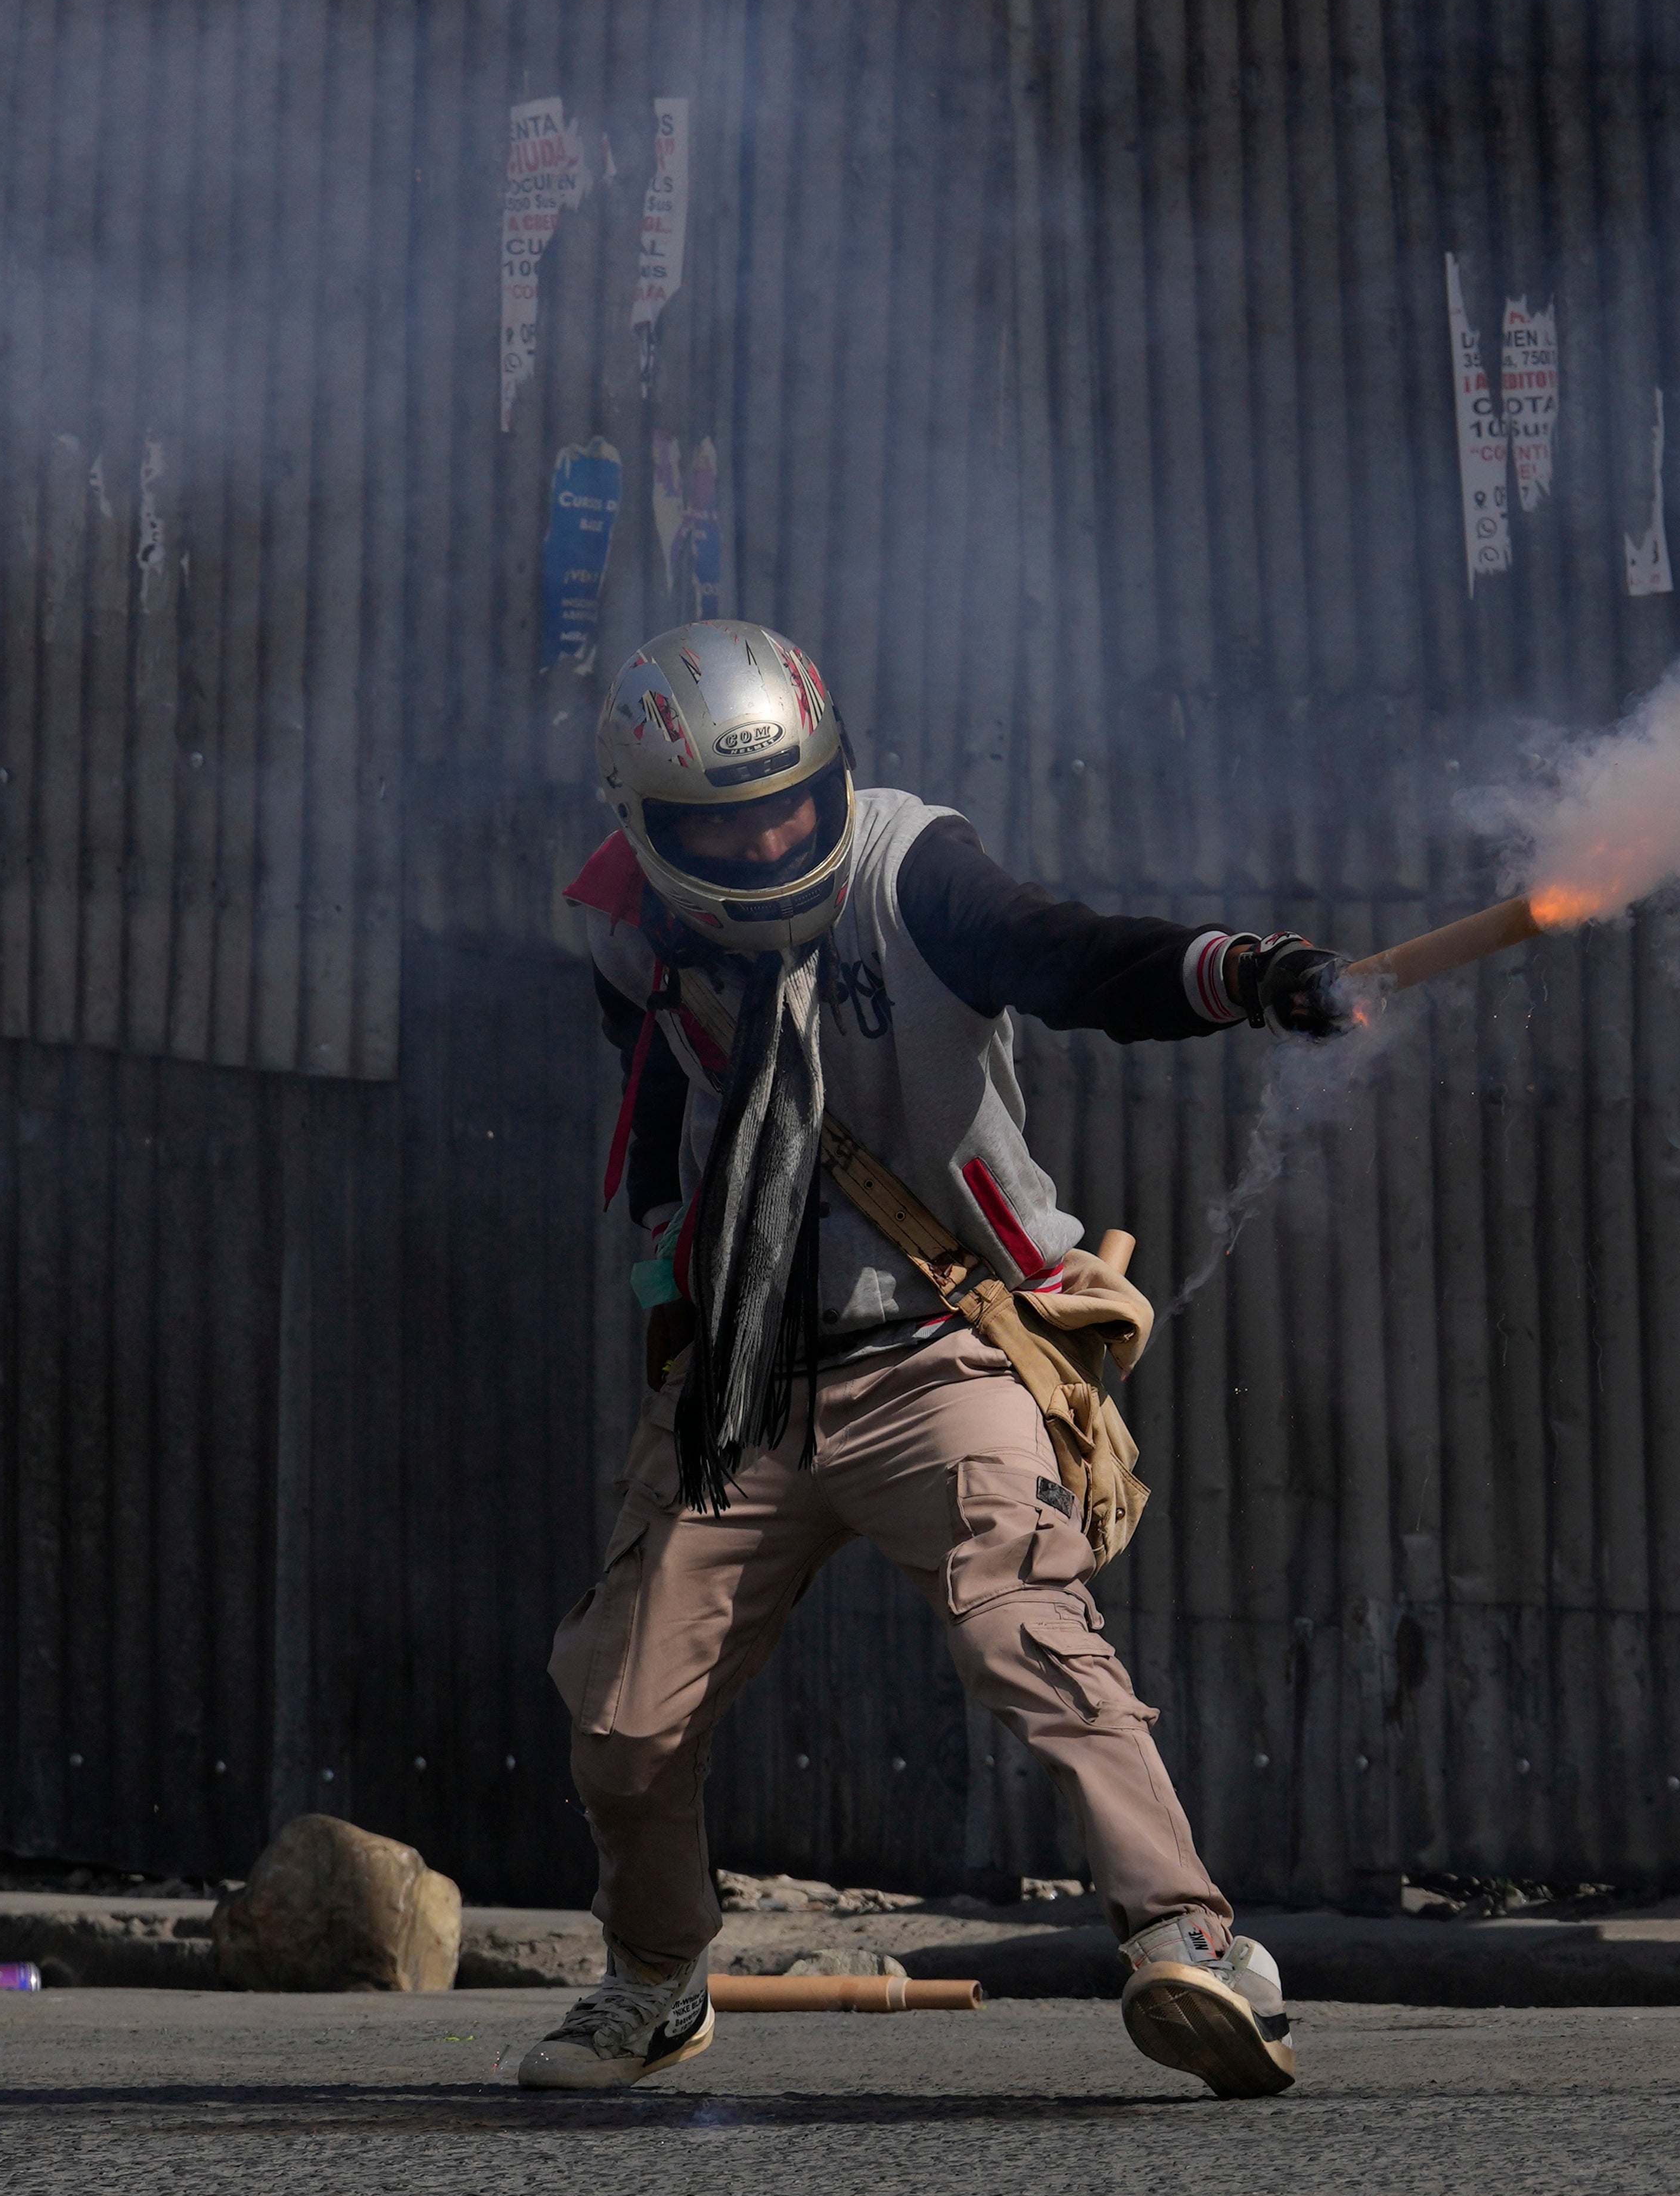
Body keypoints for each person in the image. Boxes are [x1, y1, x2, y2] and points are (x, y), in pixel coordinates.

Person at [520, 619, 1352, 2098]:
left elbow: (1073, 954)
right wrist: (672, 1271)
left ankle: (1196, 1945)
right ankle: (653, 1979)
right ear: (649, 824)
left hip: (945, 1341)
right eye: (729, 818)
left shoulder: (913, 867)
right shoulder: (626, 925)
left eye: (791, 798)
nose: (773, 834)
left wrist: (1240, 972)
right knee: (622, 1719)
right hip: (749, 1375)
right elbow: (663, 1113)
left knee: (1026, 1626)